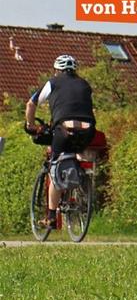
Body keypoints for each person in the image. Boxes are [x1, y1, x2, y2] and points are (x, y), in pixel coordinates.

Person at [24, 55, 97, 229]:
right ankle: (80, 180)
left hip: (63, 130)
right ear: (75, 70)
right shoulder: (85, 84)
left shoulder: (52, 83)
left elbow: (30, 105)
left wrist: (31, 125)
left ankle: (50, 217)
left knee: (55, 169)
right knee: (76, 151)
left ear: (56, 70)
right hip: (89, 130)